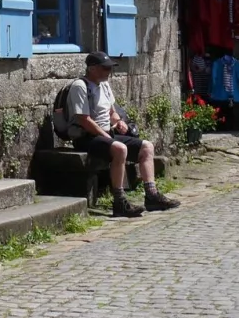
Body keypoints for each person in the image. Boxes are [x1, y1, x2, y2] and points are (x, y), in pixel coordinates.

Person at [52, 51, 180, 218]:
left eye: (110, 68)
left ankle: (152, 195)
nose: (109, 71)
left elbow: (112, 111)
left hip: (106, 134)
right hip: (86, 137)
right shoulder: (80, 87)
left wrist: (119, 122)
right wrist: (106, 136)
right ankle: (119, 201)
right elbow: (83, 119)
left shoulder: (104, 84)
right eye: (105, 68)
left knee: (146, 147)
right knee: (120, 149)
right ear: (92, 69)